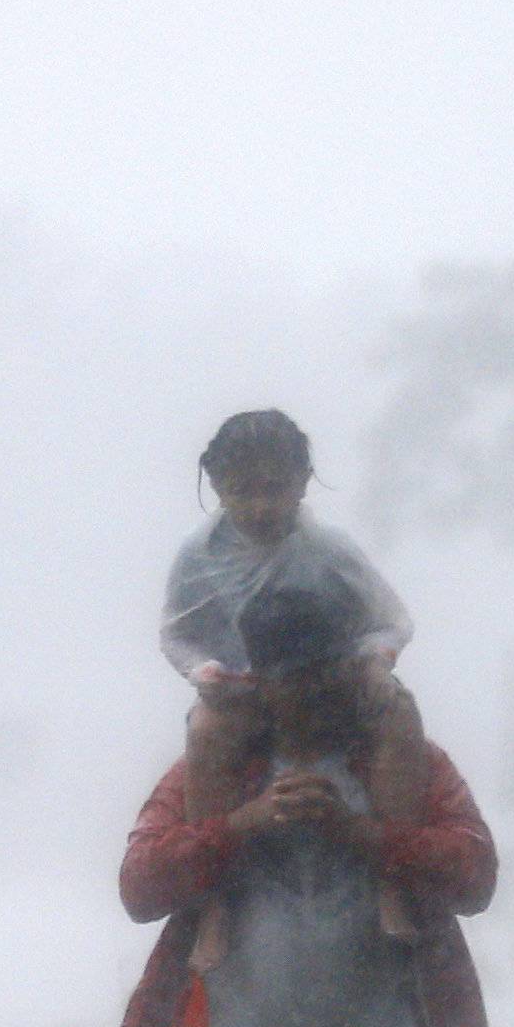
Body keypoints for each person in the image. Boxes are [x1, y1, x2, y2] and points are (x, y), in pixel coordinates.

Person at [111, 577, 496, 1027]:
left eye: (324, 674)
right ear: (256, 679)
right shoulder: (215, 769)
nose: (309, 694)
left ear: (350, 671)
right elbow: (139, 887)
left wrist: (367, 836)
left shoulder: (407, 764)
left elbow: (476, 877)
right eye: (289, 676)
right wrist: (241, 825)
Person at [162, 409, 425, 971]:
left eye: (275, 489)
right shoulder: (199, 554)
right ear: (217, 487)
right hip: (249, 694)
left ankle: (390, 882)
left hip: (333, 681)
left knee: (400, 710)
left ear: (303, 482)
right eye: (243, 492)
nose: (260, 507)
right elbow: (176, 633)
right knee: (204, 730)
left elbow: (393, 620)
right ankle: (215, 906)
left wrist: (376, 665)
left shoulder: (328, 547)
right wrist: (204, 675)